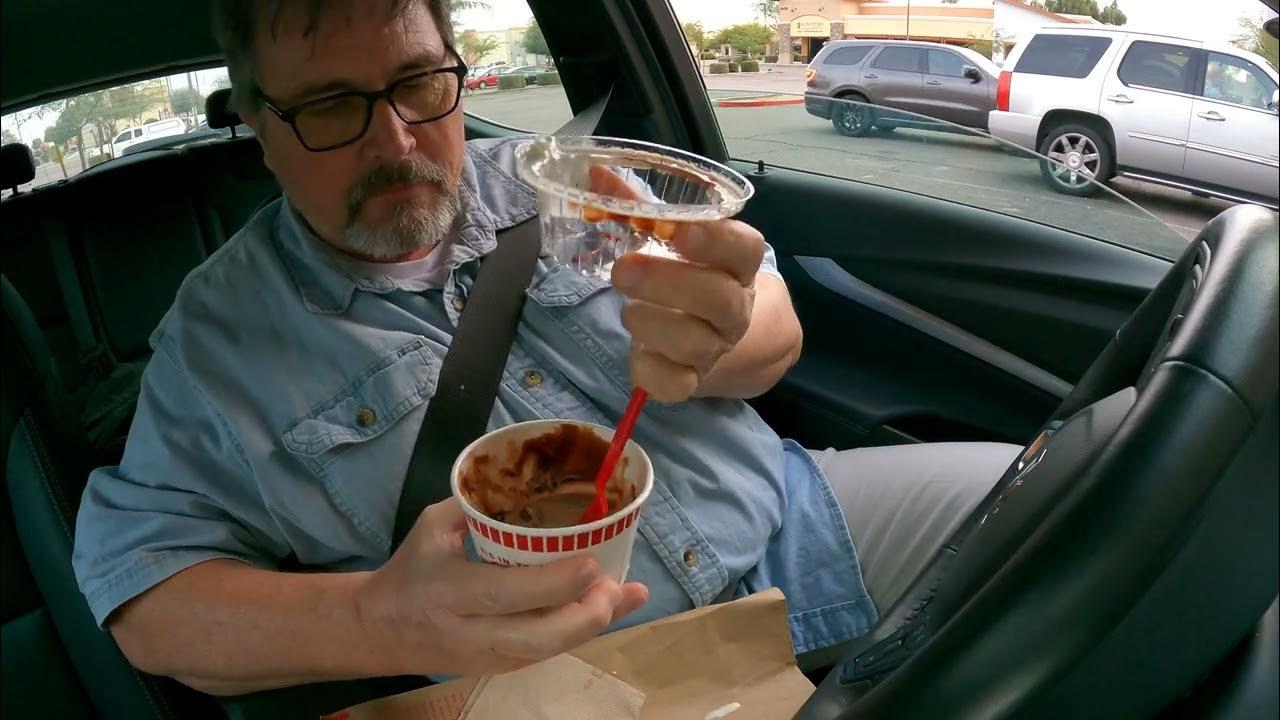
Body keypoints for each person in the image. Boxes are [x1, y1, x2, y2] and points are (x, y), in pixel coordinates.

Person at [71, 0, 1019, 696]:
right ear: (258, 131)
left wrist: (726, 335)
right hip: (553, 683)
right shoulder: (215, 340)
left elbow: (766, 319)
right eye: (327, 106)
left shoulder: (564, 181)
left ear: (453, 68)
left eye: (416, 82)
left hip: (792, 525)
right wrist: (375, 621)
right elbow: (148, 599)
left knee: (1062, 488)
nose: (395, 139)